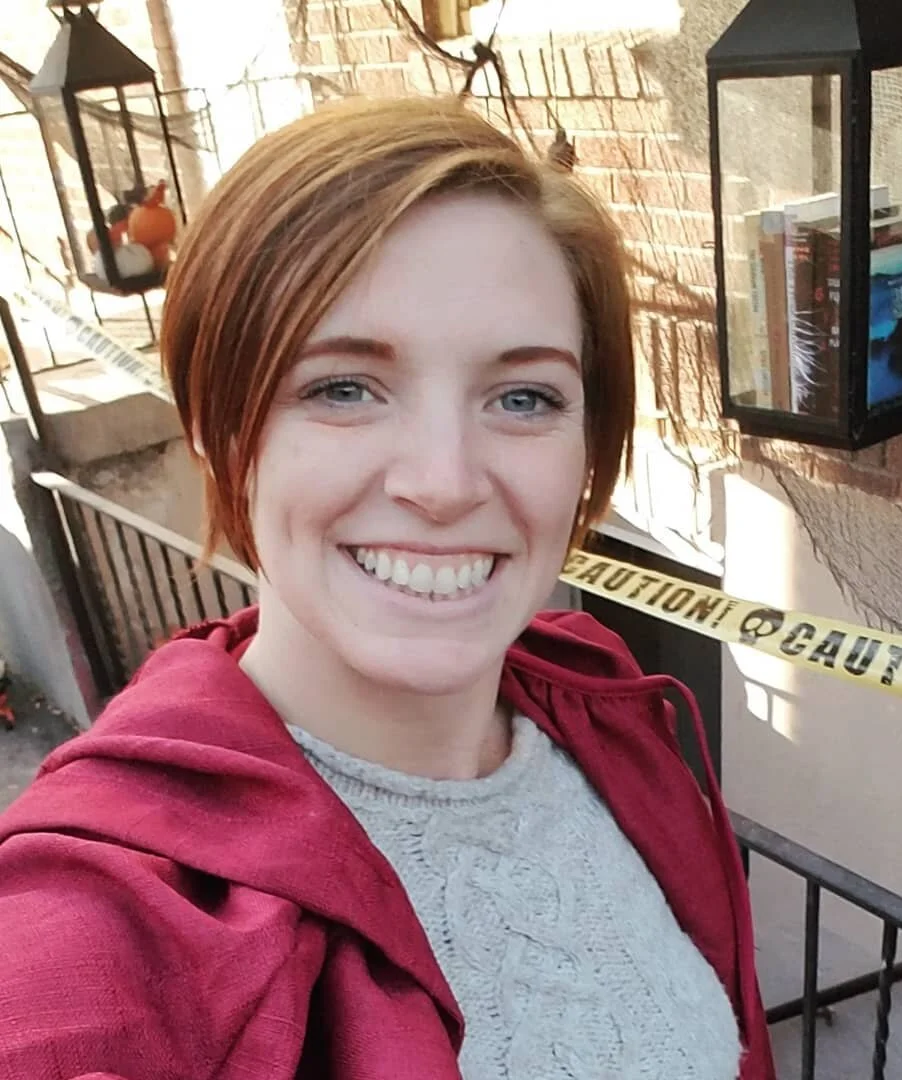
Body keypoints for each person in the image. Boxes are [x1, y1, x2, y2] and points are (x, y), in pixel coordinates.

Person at [0, 97, 774, 1080]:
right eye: (343, 389)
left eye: (524, 396)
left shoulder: (606, 708)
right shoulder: (108, 916)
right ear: (219, 431)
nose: (444, 483)